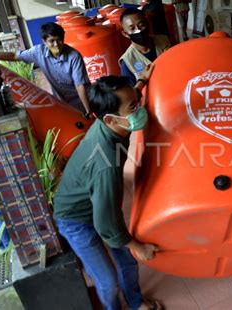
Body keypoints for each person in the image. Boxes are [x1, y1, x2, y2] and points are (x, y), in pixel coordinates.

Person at [53, 73, 163, 310]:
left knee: (128, 263)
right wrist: (138, 246)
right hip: (75, 219)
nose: (140, 108)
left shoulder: (113, 120)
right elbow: (106, 224)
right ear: (111, 120)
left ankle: (135, 303)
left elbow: (126, 100)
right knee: (107, 280)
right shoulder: (106, 166)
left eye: (138, 100)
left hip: (97, 199)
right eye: (134, 106)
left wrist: (142, 82)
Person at [0, 22, 91, 117]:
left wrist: (88, 110)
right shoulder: (38, 52)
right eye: (51, 41)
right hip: (61, 101)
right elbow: (14, 56)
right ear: (44, 42)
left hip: (81, 99)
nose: (56, 44)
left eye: (59, 40)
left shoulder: (74, 56)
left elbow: (80, 85)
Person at [119, 8, 170, 88]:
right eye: (132, 28)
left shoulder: (164, 40)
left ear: (147, 24)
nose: (139, 31)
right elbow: (132, 94)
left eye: (141, 25)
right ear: (125, 34)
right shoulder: (127, 62)